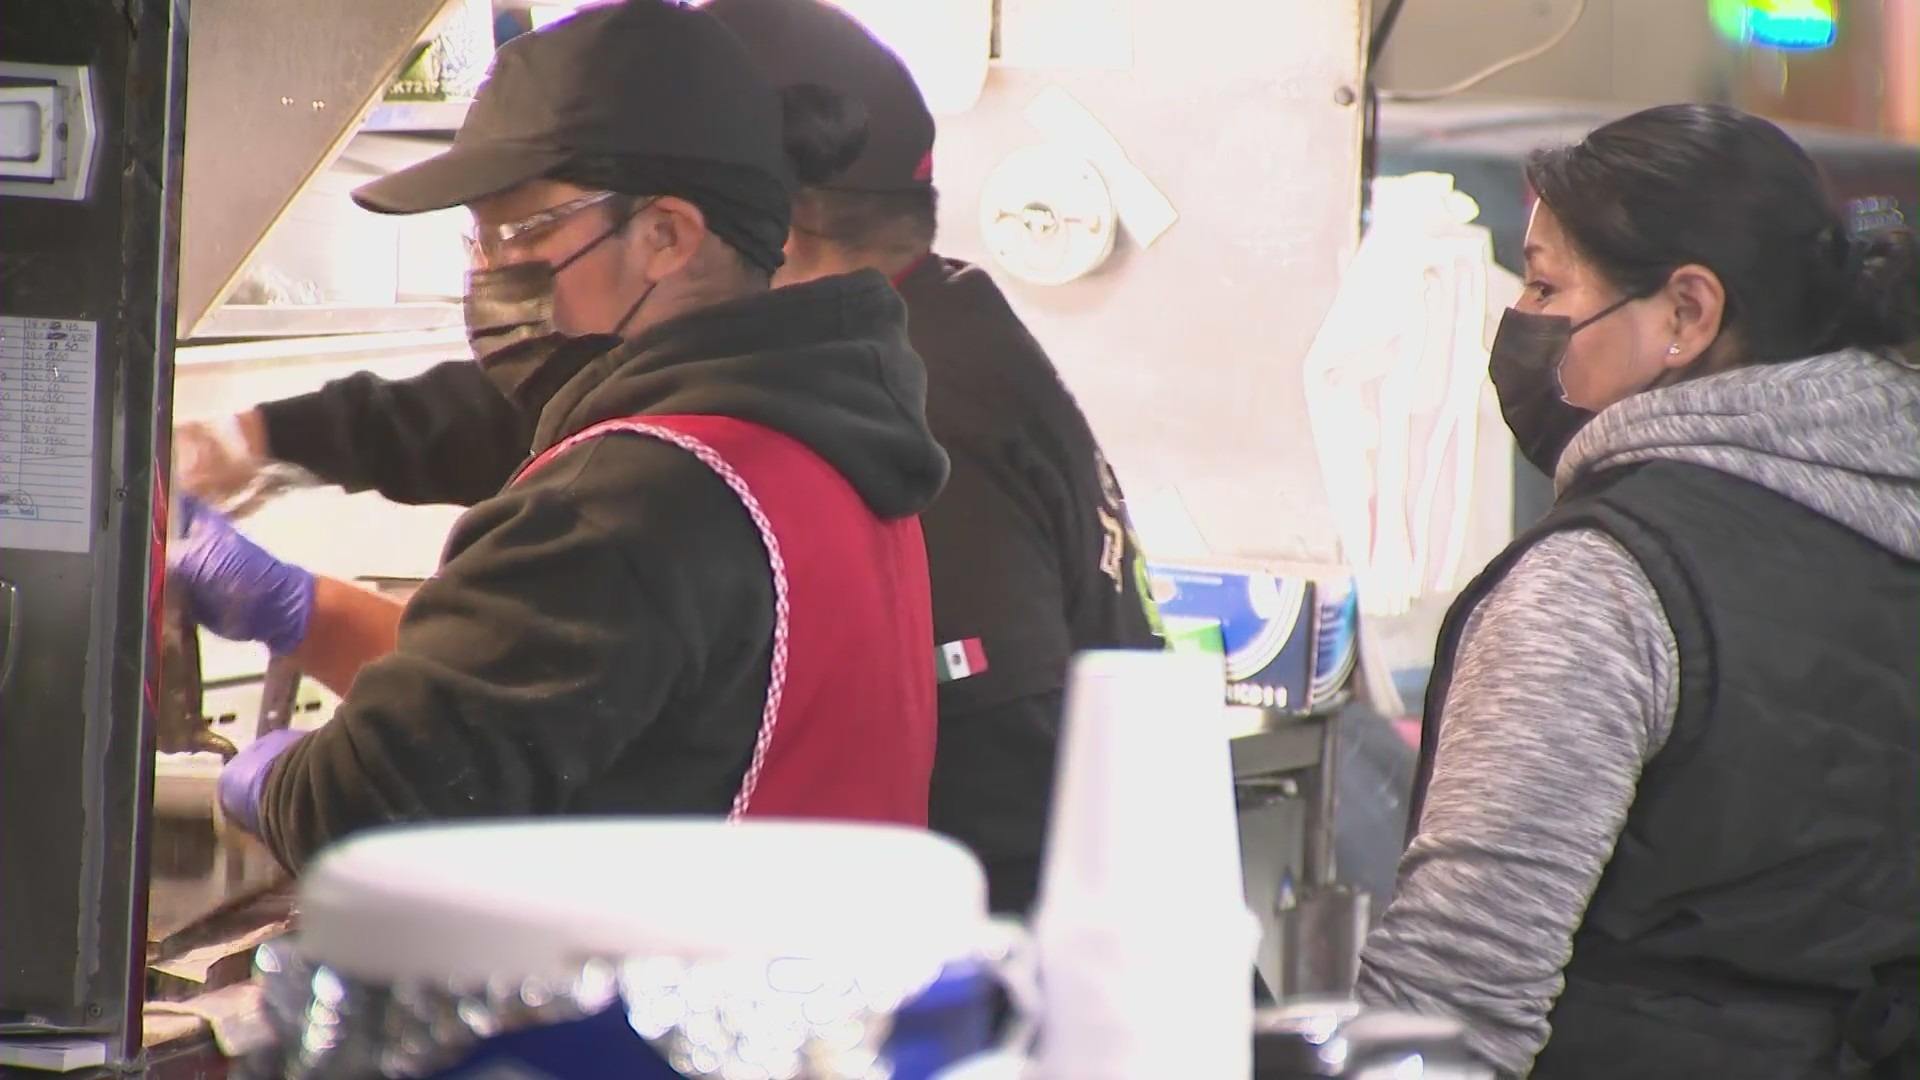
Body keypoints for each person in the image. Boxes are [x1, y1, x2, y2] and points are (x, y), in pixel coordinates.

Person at [174, 0, 1162, 914]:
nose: (488, 274)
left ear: (676, 235)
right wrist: (275, 488)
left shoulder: (647, 487)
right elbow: (602, 669)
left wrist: (272, 781)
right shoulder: (845, 411)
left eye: (514, 232)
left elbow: (373, 801)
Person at [1354, 103, 1919, 1079]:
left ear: (1686, 314)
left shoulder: (1602, 587)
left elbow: (1455, 999)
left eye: (1544, 285)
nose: (1522, 325)